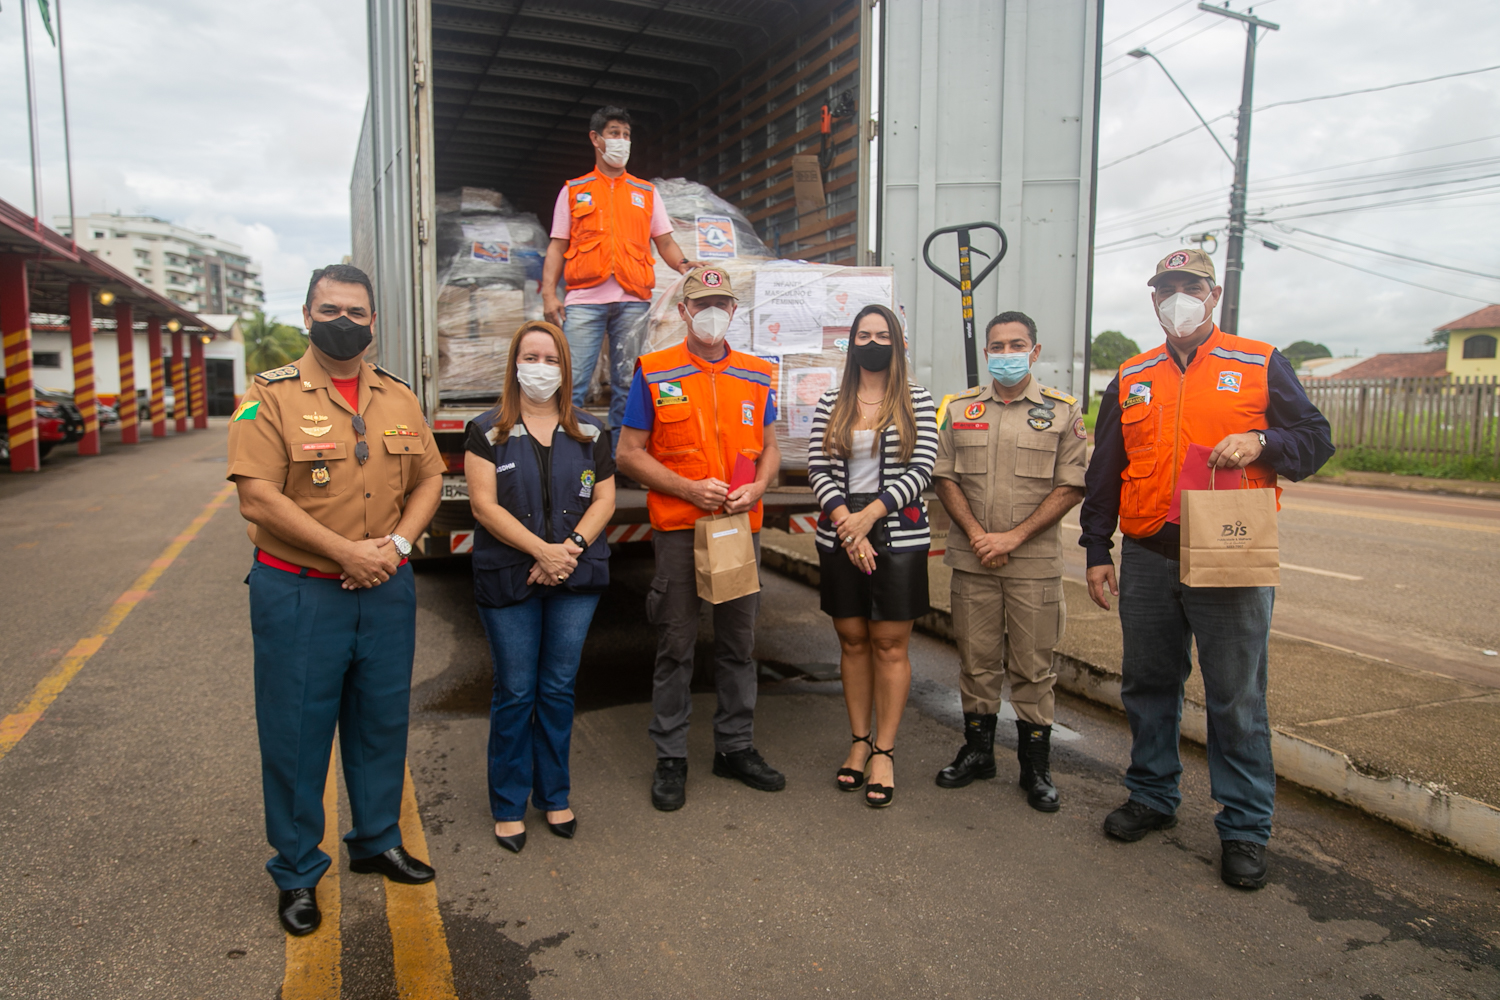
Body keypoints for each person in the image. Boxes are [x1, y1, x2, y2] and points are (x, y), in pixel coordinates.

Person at [1079, 249, 1333, 889]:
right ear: (1153, 300)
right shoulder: (1132, 375)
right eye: (1165, 288)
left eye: (1189, 286)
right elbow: (1106, 468)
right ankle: (1152, 796)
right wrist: (1094, 549)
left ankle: (1245, 828)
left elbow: (1315, 439)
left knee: (1236, 698)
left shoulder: (1258, 362)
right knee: (1147, 684)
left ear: (1213, 295)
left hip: (1230, 554)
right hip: (1147, 557)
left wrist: (1264, 442)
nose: (1177, 297)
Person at [227, 264, 444, 936]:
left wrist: (398, 549)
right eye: (330, 310)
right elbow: (257, 496)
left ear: (374, 322)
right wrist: (348, 552)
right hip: (299, 592)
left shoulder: (400, 399)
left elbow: (432, 477)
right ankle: (296, 872)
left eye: (355, 312)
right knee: (295, 736)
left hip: (385, 589)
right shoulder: (268, 398)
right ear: (306, 314)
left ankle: (377, 840)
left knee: (381, 723)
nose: (342, 322)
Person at [616, 266, 783, 811]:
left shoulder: (758, 375)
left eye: (722, 303)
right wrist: (689, 488)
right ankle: (671, 757)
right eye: (701, 302)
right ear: (683, 311)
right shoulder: (655, 371)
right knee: (676, 645)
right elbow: (629, 453)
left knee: (738, 645)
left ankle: (735, 748)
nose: (712, 311)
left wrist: (757, 487)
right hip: (680, 531)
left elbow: (770, 447)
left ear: (734, 310)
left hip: (738, 529)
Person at [464, 321, 617, 854]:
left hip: (574, 576)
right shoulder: (486, 431)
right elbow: (483, 506)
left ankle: (554, 793)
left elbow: (604, 501)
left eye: (551, 359)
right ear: (514, 365)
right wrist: (541, 552)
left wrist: (566, 549)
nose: (540, 367)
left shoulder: (591, 433)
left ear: (565, 368)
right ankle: (508, 804)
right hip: (511, 576)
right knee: (516, 692)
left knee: (556, 690)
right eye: (530, 357)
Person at [931, 312, 1087, 812]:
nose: (1005, 354)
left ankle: (1035, 769)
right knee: (976, 666)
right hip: (974, 561)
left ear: (1035, 352)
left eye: (1016, 345)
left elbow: (1071, 486)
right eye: (997, 347)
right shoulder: (959, 410)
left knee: (1032, 669)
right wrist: (979, 535)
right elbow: (945, 477)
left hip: (1033, 565)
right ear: (987, 354)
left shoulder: (1063, 412)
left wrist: (1013, 538)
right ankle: (978, 753)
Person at [807, 304, 938, 808]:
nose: (873, 341)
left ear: (897, 343)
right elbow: (818, 469)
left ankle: (885, 748)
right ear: (852, 344)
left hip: (898, 537)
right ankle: (858, 741)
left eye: (882, 334)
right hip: (841, 533)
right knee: (852, 638)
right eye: (864, 334)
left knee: (889, 643)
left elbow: (922, 468)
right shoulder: (830, 402)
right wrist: (847, 522)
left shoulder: (917, 402)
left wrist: (869, 518)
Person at [542, 105, 695, 452]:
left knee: (627, 382)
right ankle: (572, 454)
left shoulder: (645, 193)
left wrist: (685, 265)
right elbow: (556, 247)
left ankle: (619, 458)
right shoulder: (573, 190)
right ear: (596, 139)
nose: (621, 141)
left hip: (632, 300)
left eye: (626, 135)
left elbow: (666, 242)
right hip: (583, 301)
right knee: (574, 381)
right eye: (614, 133)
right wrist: (549, 296)